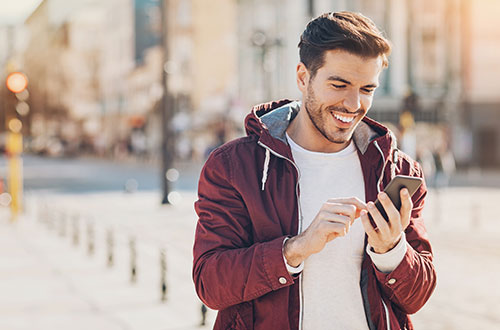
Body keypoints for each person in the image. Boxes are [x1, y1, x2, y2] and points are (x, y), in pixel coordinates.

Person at [193, 12, 436, 330]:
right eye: (339, 85)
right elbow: (210, 283)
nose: (353, 103)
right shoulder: (234, 167)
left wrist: (392, 250)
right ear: (303, 77)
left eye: (367, 89)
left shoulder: (395, 172)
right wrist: (296, 248)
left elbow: (417, 297)